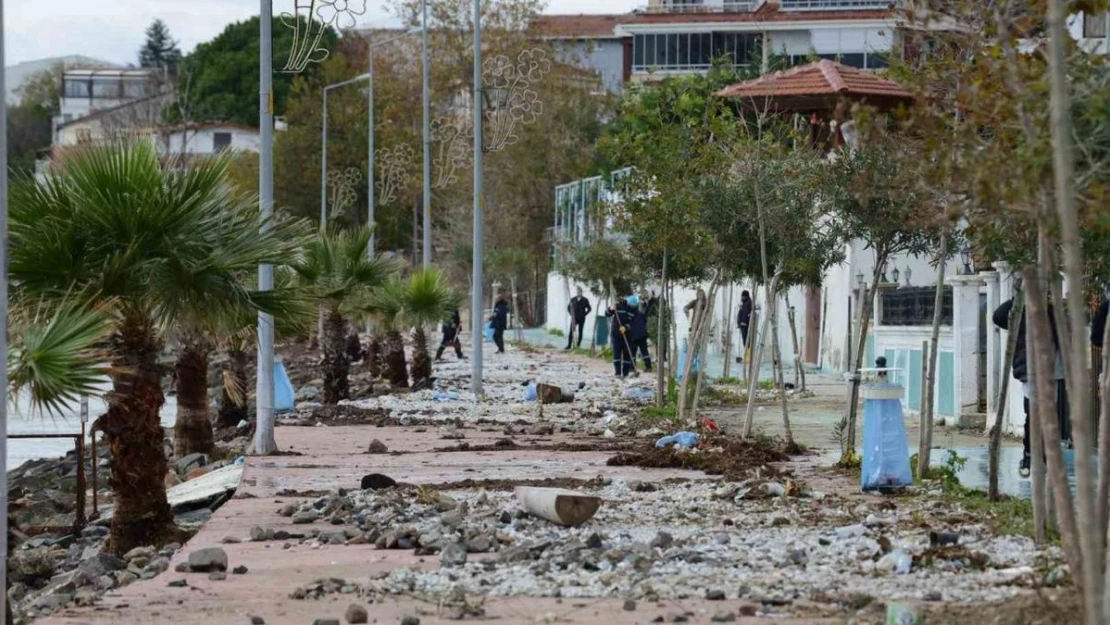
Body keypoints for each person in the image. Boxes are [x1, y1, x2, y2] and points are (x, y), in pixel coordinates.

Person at [993, 295, 1068, 478]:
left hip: (1054, 372)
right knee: (1033, 415)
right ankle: (1029, 455)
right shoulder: (1021, 313)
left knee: (1053, 416)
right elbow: (999, 316)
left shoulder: (1054, 311)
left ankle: (1047, 455)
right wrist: (1019, 298)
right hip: (1030, 370)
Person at [606, 297, 636, 377]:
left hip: (628, 335)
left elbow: (633, 323)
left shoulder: (634, 310)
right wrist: (610, 309)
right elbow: (607, 314)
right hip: (616, 334)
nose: (633, 306)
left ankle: (625, 374)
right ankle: (618, 373)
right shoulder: (618, 305)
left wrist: (626, 327)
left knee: (627, 355)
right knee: (617, 354)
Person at [628, 294, 653, 372]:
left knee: (632, 352)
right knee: (644, 351)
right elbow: (645, 321)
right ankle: (648, 367)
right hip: (642, 335)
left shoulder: (629, 314)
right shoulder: (640, 314)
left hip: (634, 336)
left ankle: (632, 367)